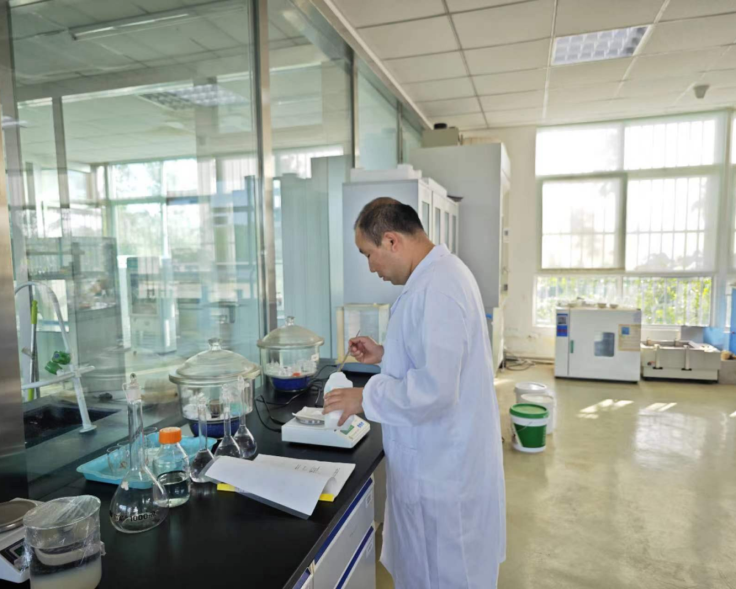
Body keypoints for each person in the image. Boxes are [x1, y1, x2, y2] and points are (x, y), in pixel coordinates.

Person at [323, 197, 506, 589]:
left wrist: (364, 397)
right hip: (439, 463)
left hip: (444, 475)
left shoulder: (438, 288)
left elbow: (436, 390)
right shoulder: (437, 276)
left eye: (368, 254)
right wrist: (385, 354)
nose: (371, 267)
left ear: (391, 241)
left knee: (446, 575)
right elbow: (437, 359)